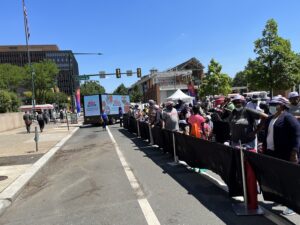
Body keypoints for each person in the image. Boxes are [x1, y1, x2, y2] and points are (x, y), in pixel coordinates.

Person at [263, 96, 300, 216]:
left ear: (283, 106)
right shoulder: (270, 118)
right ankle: (282, 200)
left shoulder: (289, 118)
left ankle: (294, 206)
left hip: (286, 154)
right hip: (273, 153)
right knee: (278, 179)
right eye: (271, 104)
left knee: (290, 180)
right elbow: (267, 134)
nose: (272, 106)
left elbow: (297, 136)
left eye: (275, 104)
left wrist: (294, 152)